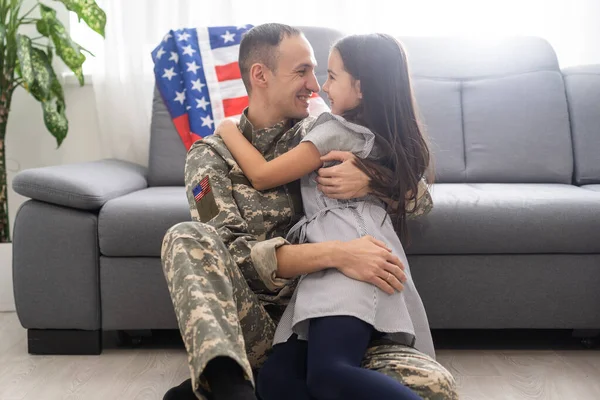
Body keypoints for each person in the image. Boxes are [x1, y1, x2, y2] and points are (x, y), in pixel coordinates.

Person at [161, 23, 457, 400]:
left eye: (319, 73)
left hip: (332, 321)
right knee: (186, 236)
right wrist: (338, 253)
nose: (315, 85)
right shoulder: (211, 156)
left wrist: (372, 180)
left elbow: (421, 200)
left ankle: (237, 391)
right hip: (258, 328)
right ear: (260, 75)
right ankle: (230, 382)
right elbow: (237, 256)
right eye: (302, 71)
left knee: (436, 388)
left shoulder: (320, 131)